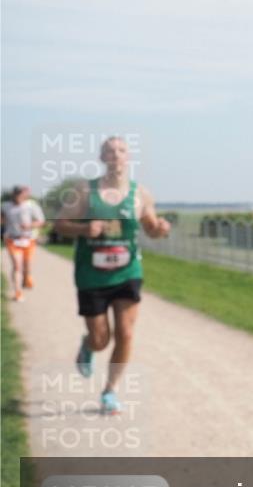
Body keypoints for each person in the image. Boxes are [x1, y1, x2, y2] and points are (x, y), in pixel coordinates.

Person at [54, 136, 171, 415]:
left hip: (128, 271)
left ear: (128, 157)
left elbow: (151, 229)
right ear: (102, 158)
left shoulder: (141, 194)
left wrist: (161, 229)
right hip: (91, 275)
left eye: (121, 150)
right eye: (109, 150)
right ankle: (88, 345)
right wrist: (83, 229)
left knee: (126, 333)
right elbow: (59, 224)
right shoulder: (85, 191)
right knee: (101, 339)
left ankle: (110, 391)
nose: (116, 154)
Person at [2, 186, 46, 302]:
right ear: (13, 194)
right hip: (12, 239)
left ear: (25, 195)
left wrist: (30, 225)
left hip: (28, 240)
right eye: (16, 194)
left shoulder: (31, 206)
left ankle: (27, 277)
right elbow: (2, 219)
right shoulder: (5, 206)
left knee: (27, 266)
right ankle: (18, 293)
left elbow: (41, 221)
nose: (18, 197)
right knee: (17, 266)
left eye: (20, 194)